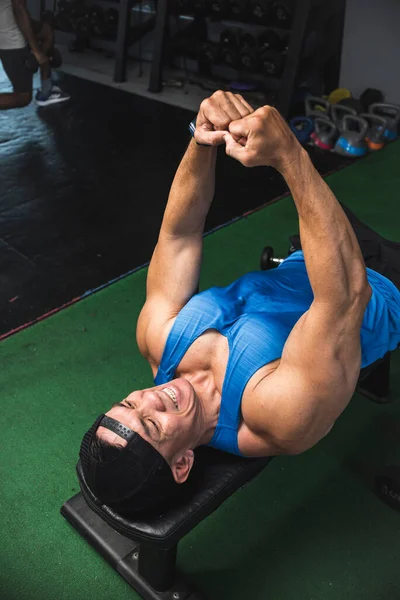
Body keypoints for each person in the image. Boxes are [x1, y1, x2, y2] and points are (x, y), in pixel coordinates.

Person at [80, 91, 400, 516]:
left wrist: (202, 137)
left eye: (129, 403)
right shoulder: (275, 412)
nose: (151, 398)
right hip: (381, 284)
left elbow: (179, 235)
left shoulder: (160, 338)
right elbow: (345, 296)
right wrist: (290, 154)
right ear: (182, 463)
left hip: (311, 254)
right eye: (154, 424)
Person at [0, 0, 69, 108]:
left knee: (47, 32)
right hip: (9, 28)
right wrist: (37, 51)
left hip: (7, 15)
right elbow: (18, 8)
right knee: (24, 97)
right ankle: (34, 58)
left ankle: (46, 90)